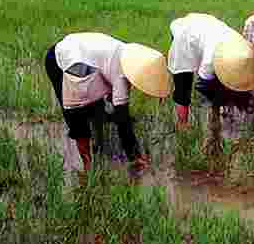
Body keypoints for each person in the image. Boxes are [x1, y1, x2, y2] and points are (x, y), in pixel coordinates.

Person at [44, 32, 172, 182]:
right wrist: (135, 156)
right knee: (76, 114)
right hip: (60, 60)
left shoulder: (128, 57)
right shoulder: (121, 72)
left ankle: (98, 143)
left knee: (96, 105)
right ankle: (88, 168)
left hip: (83, 54)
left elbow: (116, 100)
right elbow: (122, 118)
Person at [167, 13, 254, 150]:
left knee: (221, 88)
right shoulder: (211, 60)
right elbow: (202, 85)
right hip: (185, 36)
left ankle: (217, 113)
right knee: (183, 86)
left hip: (207, 27)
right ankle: (183, 125)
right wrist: (222, 99)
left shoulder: (245, 51)